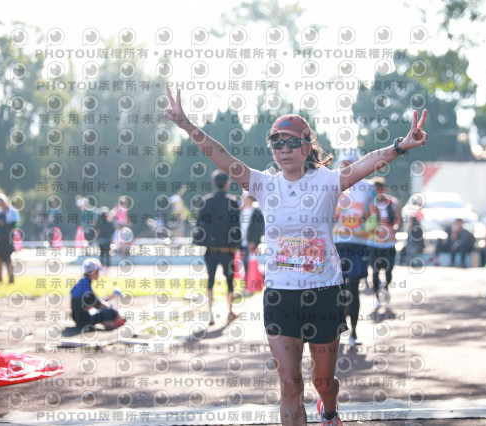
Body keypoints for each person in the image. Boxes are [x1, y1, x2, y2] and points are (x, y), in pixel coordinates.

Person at [164, 87, 428, 426]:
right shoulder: (263, 184)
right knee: (289, 384)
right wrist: (187, 125)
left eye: (291, 142)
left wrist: (401, 145)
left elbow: (367, 163)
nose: (284, 149)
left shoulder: (328, 182)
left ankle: (329, 410)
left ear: (306, 146)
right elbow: (221, 155)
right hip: (280, 294)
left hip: (324, 291)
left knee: (323, 382)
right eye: (277, 143)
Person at [333, 153, 373, 348]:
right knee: (338, 288)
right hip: (337, 244)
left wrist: (370, 225)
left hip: (358, 244)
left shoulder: (367, 187)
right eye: (343, 164)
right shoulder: (332, 185)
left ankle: (354, 332)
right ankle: (339, 327)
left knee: (354, 287)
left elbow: (374, 215)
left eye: (350, 164)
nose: (346, 168)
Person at [195, 170, 242, 326]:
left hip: (211, 248)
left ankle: (210, 313)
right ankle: (230, 311)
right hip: (228, 249)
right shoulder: (233, 202)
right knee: (229, 280)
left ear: (214, 183)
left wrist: (201, 242)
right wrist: (238, 245)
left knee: (210, 279)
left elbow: (200, 225)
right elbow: (236, 226)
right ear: (227, 183)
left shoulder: (206, 201)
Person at [367, 177, 402, 309]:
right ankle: (377, 295)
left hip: (389, 244)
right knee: (375, 271)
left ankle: (386, 288)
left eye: (378, 190)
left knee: (388, 270)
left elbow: (398, 221)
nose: (376, 193)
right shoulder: (370, 204)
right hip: (374, 244)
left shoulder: (393, 203)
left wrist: (394, 229)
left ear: (384, 189)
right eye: (374, 190)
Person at [70, 258, 125, 330]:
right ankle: (118, 322)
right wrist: (111, 300)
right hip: (83, 321)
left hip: (79, 318)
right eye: (98, 272)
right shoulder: (86, 286)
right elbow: (100, 304)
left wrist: (110, 298)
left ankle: (113, 322)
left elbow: (94, 302)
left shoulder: (82, 282)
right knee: (112, 311)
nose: (99, 274)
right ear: (93, 272)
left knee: (108, 306)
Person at [240, 193, 265, 277]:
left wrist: (254, 241)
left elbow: (259, 228)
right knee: (242, 262)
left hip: (251, 242)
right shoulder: (241, 211)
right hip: (241, 242)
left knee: (249, 262)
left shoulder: (257, 212)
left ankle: (250, 280)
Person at [0, 194, 20, 284]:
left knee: (7, 258)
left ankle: (11, 279)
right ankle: (0, 279)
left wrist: (4, 224)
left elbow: (15, 225)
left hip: (8, 238)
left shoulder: (12, 211)